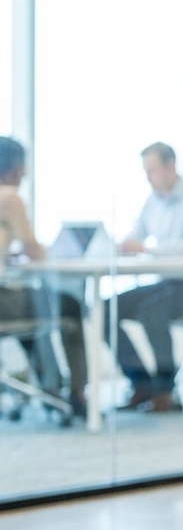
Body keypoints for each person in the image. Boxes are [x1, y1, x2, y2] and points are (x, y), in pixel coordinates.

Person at [112, 142, 183, 412]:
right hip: (165, 283)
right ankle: (141, 383)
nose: (148, 177)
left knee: (152, 310)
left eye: (152, 170)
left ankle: (164, 391)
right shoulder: (153, 201)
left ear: (170, 166)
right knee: (106, 308)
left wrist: (147, 249)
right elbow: (135, 235)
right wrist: (123, 246)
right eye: (146, 172)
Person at [0, 137, 88, 421]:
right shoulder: (9, 197)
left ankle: (51, 388)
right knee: (68, 305)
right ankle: (75, 393)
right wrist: (55, 252)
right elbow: (34, 252)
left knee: (38, 303)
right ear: (17, 169)